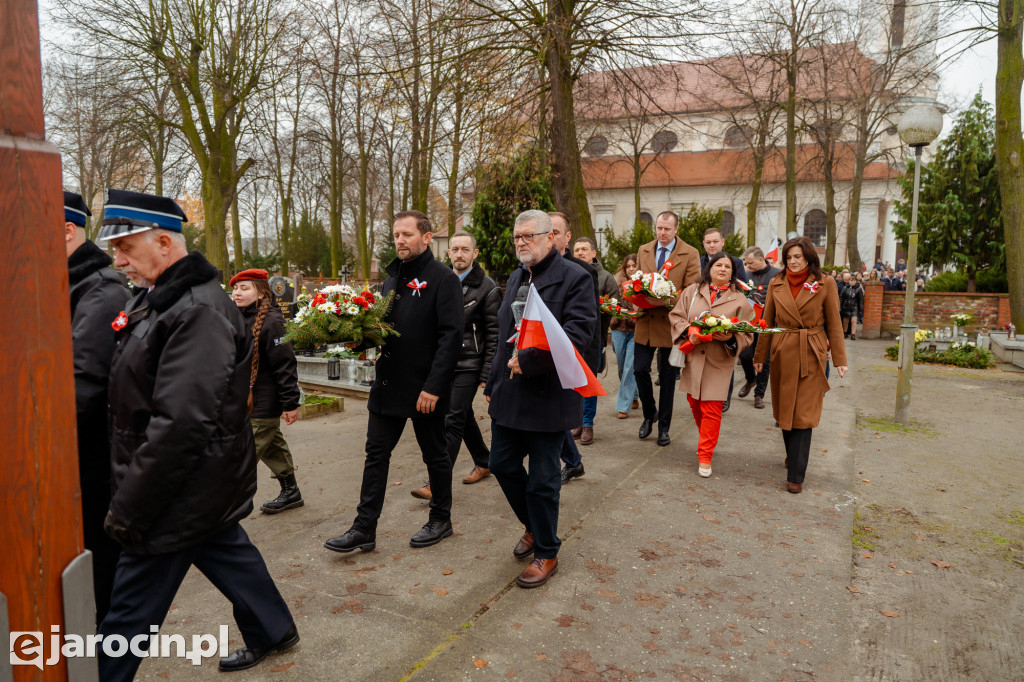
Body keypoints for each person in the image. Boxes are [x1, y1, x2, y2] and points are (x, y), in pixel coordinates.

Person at [97, 189, 297, 679]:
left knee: (126, 616)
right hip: (195, 481)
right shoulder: (158, 299)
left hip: (175, 488)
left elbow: (181, 424)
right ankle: (273, 628)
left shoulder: (197, 311)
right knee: (225, 548)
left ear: (164, 243)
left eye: (125, 247)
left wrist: (130, 506)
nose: (117, 260)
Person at [325, 210, 463, 553]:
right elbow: (382, 329)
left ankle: (441, 518)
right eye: (396, 235)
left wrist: (434, 386)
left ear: (427, 237)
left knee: (435, 454)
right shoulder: (390, 279)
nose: (400, 240)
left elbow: (450, 337)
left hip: (424, 389)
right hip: (388, 385)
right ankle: (364, 528)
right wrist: (361, 340)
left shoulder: (443, 278)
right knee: (375, 455)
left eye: (407, 234)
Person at [484, 210, 597, 588]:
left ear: (552, 238)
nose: (521, 243)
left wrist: (529, 360)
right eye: (517, 237)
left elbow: (577, 338)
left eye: (529, 236)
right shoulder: (518, 275)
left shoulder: (576, 278)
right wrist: (492, 382)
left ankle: (546, 551)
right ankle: (533, 524)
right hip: (509, 393)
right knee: (500, 464)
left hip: (549, 396)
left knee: (543, 481)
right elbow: (504, 336)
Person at [64, 190, 131, 624]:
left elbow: (81, 385)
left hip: (93, 460)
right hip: (76, 459)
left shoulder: (100, 289)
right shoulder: (71, 283)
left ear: (65, 231)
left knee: (105, 577)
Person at [753, 237, 847, 494]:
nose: (793, 262)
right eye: (789, 257)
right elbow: (767, 321)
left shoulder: (825, 283)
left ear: (808, 257)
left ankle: (796, 474)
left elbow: (834, 322)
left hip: (811, 351)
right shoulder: (776, 282)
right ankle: (792, 455)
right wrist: (759, 356)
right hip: (783, 349)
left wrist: (840, 359)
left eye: (798, 257)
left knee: (803, 414)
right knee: (786, 410)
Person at [410, 230, 499, 497]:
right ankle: (484, 461)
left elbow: (494, 335)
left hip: (469, 363)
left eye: (464, 249)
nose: (459, 254)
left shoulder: (488, 288)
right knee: (463, 416)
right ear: (447, 252)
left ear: (475, 253)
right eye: (454, 249)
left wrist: (487, 375)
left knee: (451, 419)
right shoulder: (437, 280)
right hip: (442, 362)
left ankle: (436, 482)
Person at [670, 252, 754, 477]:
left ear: (733, 273)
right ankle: (706, 439)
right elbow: (676, 316)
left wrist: (729, 338)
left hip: (719, 361)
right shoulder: (693, 291)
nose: (723, 269)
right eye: (719, 265)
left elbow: (748, 333)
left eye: (728, 266)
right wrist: (690, 331)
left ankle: (705, 455)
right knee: (695, 403)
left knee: (712, 408)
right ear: (710, 268)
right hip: (694, 357)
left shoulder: (740, 299)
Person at [230, 268, 303, 513]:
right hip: (245, 400)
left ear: (261, 293)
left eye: (244, 288)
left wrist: (290, 403)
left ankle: (224, 509)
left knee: (240, 456)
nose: (237, 293)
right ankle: (291, 491)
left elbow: (285, 364)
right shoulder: (238, 317)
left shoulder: (273, 322)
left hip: (264, 402)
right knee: (272, 446)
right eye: (235, 288)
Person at [634, 211, 701, 445]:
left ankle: (663, 427)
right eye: (659, 228)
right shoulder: (644, 249)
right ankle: (649, 414)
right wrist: (636, 295)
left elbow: (692, 290)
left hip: (672, 323)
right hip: (646, 321)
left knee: (667, 378)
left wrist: (665, 300)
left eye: (667, 229)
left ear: (676, 230)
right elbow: (639, 280)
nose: (662, 233)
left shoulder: (690, 253)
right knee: (639, 370)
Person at [549, 212, 598, 481]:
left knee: (555, 413)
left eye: (555, 232)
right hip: (539, 354)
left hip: (569, 354)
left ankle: (571, 460)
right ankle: (573, 460)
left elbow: (589, 322)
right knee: (550, 413)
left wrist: (591, 358)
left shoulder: (583, 272)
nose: (549, 236)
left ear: (567, 237)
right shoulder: (529, 268)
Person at [573, 236, 619, 434]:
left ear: (594, 253)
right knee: (573, 380)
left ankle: (588, 424)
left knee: (590, 379)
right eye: (577, 250)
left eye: (584, 249)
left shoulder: (605, 277)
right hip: (572, 336)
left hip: (594, 336)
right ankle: (576, 421)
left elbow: (615, 303)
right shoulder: (569, 272)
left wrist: (602, 306)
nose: (580, 253)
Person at [699, 227, 748, 412]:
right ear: (703, 244)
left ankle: (724, 396)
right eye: (708, 242)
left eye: (715, 241)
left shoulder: (735, 262)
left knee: (725, 358)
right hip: (703, 315)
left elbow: (743, 288)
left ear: (722, 242)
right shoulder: (699, 262)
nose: (712, 245)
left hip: (727, 314)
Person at [738, 246, 781, 409]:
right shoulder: (746, 275)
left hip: (769, 324)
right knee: (745, 354)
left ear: (761, 259)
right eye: (746, 263)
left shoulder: (777, 275)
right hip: (749, 323)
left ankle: (759, 395)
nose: (748, 266)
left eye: (750, 263)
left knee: (765, 360)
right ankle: (751, 379)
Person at [611, 254, 640, 418]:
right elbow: (611, 303)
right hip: (618, 328)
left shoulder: (644, 283)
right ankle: (634, 395)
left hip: (636, 330)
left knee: (630, 366)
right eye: (628, 266)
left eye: (634, 265)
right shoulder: (617, 282)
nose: (631, 269)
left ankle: (623, 406)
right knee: (622, 367)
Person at [839, 273, 864, 340]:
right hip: (846, 307)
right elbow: (841, 298)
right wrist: (840, 306)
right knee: (845, 321)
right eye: (850, 281)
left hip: (854, 307)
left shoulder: (858, 289)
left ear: (855, 281)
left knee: (854, 321)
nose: (852, 282)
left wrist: (860, 309)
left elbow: (861, 300)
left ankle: (853, 334)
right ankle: (845, 332)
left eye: (853, 281)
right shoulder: (845, 288)